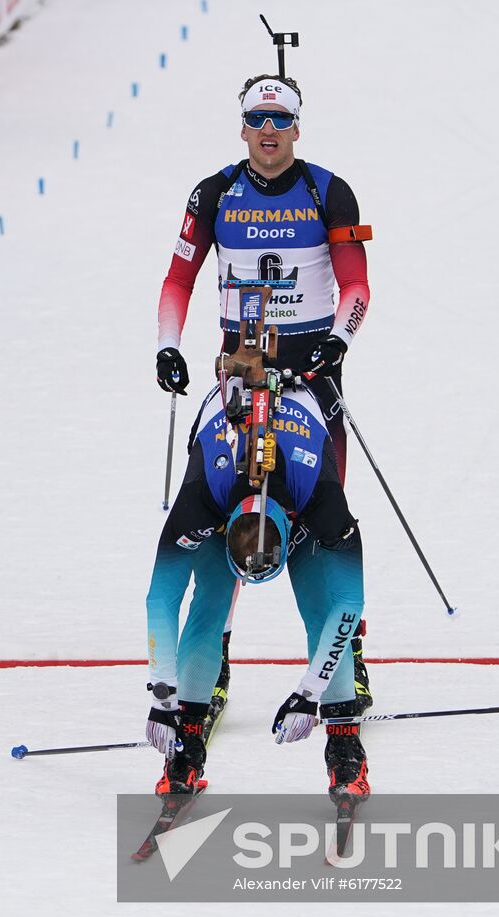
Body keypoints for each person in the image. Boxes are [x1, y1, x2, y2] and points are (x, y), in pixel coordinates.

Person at [154, 72, 374, 721]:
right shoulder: (215, 192)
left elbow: (356, 287)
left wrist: (337, 342)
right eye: (258, 118)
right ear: (243, 125)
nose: (269, 130)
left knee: (318, 510)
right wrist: (168, 346)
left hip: (312, 371)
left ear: (297, 126)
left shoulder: (328, 191)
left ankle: (345, 657)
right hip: (241, 367)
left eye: (280, 119)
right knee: (226, 502)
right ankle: (212, 656)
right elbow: (177, 280)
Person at [144, 377, 369, 805]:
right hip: (223, 491)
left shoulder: (322, 504)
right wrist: (162, 693)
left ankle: (345, 750)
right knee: (210, 602)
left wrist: (310, 692)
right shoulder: (199, 502)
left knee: (320, 607)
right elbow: (160, 599)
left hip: (298, 491)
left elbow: (349, 603)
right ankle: (186, 749)